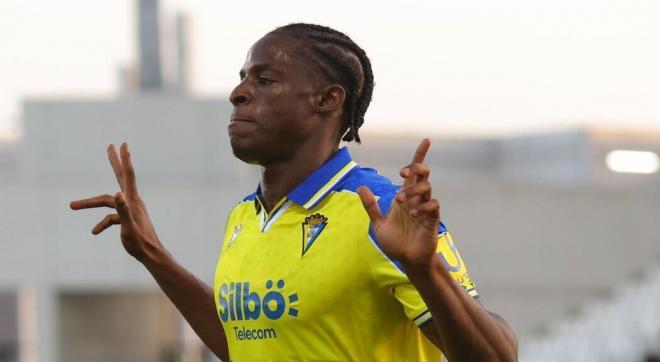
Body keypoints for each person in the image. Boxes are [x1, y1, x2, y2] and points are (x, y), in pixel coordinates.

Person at [70, 23, 517, 361]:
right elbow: (245, 346)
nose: (238, 93)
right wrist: (153, 255)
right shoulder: (244, 218)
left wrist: (426, 269)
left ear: (327, 99)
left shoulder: (379, 209)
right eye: (243, 78)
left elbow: (499, 355)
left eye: (264, 80)